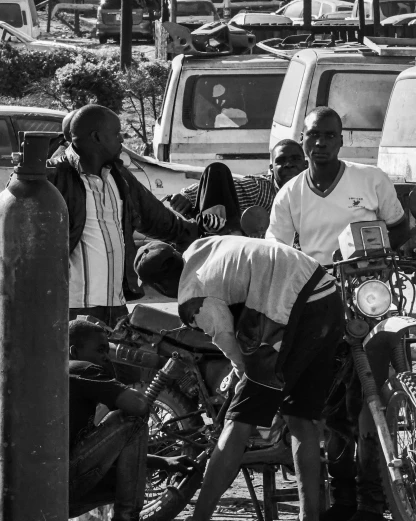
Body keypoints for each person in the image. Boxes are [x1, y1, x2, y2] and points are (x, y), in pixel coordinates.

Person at [265, 106, 410, 521]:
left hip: (370, 298)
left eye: (330, 136)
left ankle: (372, 498)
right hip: (319, 304)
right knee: (333, 409)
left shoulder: (370, 179)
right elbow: (276, 251)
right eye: (314, 136)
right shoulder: (290, 193)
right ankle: (344, 498)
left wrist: (383, 257)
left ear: (341, 139)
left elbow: (400, 227)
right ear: (304, 140)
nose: (321, 143)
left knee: (373, 397)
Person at [134, 236, 342, 521]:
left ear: (158, 286)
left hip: (291, 306)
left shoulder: (192, 296)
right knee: (301, 418)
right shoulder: (200, 247)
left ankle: (200, 517)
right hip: (326, 291)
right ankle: (310, 517)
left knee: (237, 424)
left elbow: (230, 342)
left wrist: (239, 377)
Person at [36, 104, 198, 323]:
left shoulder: (118, 176)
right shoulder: (53, 175)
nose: (122, 139)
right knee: (79, 357)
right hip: (71, 307)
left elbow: (158, 219)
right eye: (116, 133)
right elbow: (2, 212)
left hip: (115, 303)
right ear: (97, 137)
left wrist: (199, 234)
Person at [67, 319, 195, 519]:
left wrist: (164, 462)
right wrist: (162, 373)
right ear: (74, 352)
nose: (106, 358)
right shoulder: (80, 369)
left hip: (50, 488)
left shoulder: (56, 374)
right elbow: (138, 406)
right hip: (66, 483)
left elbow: (105, 454)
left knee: (123, 475)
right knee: (132, 419)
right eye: (100, 350)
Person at [166, 139, 307, 219]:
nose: (289, 164)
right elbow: (223, 185)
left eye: (295, 159)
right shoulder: (260, 189)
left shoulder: (317, 190)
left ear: (306, 165)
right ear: (271, 168)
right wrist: (186, 196)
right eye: (281, 161)